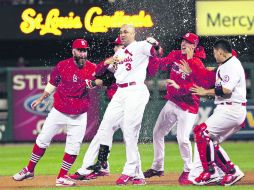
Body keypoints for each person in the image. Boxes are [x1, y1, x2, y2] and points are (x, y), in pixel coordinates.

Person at [68, 35, 162, 182]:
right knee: (105, 133)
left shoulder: (134, 60)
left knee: (128, 136)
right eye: (115, 46)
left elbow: (151, 69)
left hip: (131, 101)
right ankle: (97, 167)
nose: (115, 48)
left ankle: (132, 173)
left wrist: (154, 50)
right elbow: (100, 74)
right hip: (118, 102)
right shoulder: (116, 60)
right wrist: (106, 65)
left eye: (117, 45)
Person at [12, 39, 100, 187]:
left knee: (74, 146)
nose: (83, 53)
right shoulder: (63, 65)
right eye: (80, 50)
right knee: (42, 139)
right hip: (59, 110)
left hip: (79, 113)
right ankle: (29, 169)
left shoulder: (92, 68)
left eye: (85, 50)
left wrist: (95, 82)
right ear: (73, 51)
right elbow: (53, 83)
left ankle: (61, 177)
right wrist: (41, 98)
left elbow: (101, 81)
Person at [143, 33, 215, 185]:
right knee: (157, 133)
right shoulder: (176, 54)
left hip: (188, 106)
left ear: (194, 46)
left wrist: (179, 87)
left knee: (182, 139)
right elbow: (161, 65)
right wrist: (156, 52)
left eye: (188, 42)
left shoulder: (197, 63)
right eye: (183, 40)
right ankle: (157, 167)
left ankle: (189, 170)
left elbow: (198, 87)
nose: (183, 44)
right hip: (172, 101)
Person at [190, 39, 246, 186]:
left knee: (201, 132)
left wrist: (205, 92)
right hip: (230, 108)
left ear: (220, 52)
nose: (214, 55)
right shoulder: (229, 64)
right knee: (211, 143)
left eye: (215, 52)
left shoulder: (230, 66)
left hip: (231, 108)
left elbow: (226, 90)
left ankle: (211, 172)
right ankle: (231, 172)